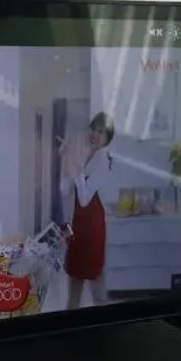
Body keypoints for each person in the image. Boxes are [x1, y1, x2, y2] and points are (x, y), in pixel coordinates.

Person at [59, 112, 115, 310]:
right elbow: (64, 190)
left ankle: (104, 326)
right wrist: (67, 161)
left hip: (92, 227)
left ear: (108, 138)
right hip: (78, 225)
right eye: (94, 129)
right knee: (74, 281)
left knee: (96, 284)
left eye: (101, 132)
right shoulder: (85, 154)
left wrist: (76, 168)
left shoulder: (104, 160)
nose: (95, 134)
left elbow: (84, 199)